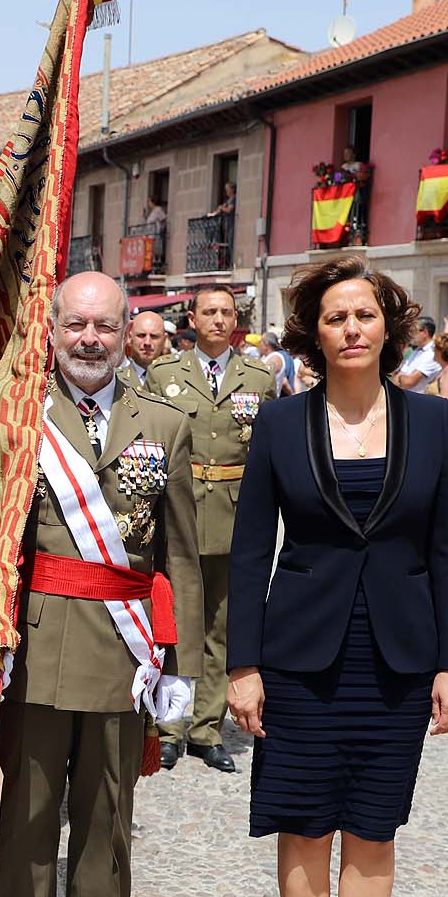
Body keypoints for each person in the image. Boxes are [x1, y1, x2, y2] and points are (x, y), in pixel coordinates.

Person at [227, 256, 448, 897]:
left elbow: (447, 552)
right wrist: (243, 664)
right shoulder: (279, 424)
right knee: (304, 827)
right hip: (298, 659)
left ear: (389, 325)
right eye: (335, 318)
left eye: (364, 315)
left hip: (398, 659)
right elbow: (252, 549)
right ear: (315, 333)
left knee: (372, 831)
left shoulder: (432, 423)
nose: (352, 329)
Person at [0, 271, 201, 897]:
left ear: (127, 334)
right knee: (28, 827)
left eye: (105, 327)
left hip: (127, 658)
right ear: (52, 330)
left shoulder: (165, 423)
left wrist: (183, 684)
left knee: (106, 830)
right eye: (76, 325)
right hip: (36, 650)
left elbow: (181, 559)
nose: (89, 339)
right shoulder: (20, 417)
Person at [143, 282, 276, 773]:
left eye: (227, 312)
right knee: (177, 624)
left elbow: (267, 455)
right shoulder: (164, 374)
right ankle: (169, 726)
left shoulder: (258, 378)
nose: (219, 320)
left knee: (223, 625)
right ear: (192, 320)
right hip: (179, 512)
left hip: (235, 515)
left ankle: (207, 728)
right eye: (209, 312)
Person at [392, 315, 439, 392]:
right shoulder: (416, 351)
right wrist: (402, 377)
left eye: (413, 331)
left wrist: (401, 377)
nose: (410, 334)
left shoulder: (433, 354)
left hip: (419, 401)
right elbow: (397, 379)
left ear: (425, 333)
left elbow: (409, 382)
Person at [121, 311, 167, 386]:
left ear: (164, 340)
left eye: (154, 336)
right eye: (141, 335)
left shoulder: (176, 379)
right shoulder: (116, 380)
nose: (147, 342)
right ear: (129, 337)